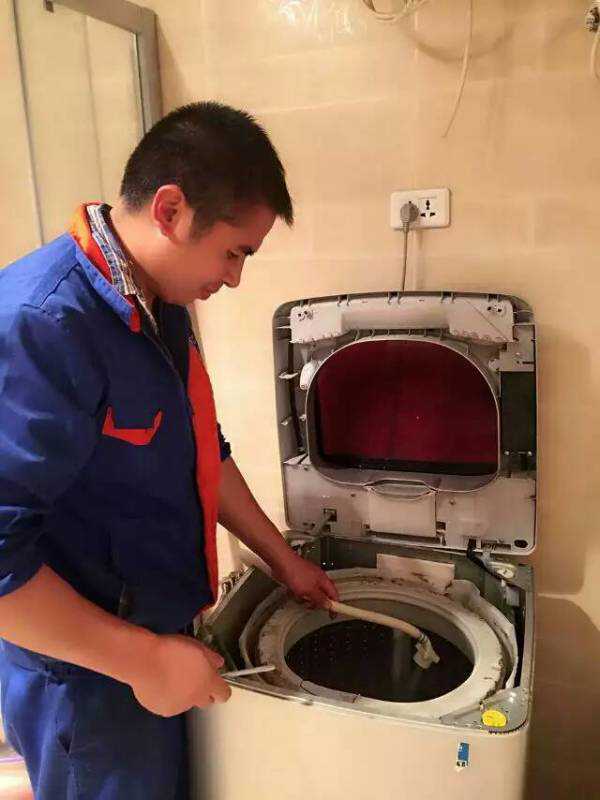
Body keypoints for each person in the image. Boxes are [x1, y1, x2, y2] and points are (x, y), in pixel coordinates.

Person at [0, 101, 339, 800]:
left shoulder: (160, 305)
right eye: (234, 252)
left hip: (159, 638)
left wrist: (283, 561)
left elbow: (202, 452)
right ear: (171, 210)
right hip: (87, 679)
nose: (236, 278)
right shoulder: (43, 326)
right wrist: (144, 660)